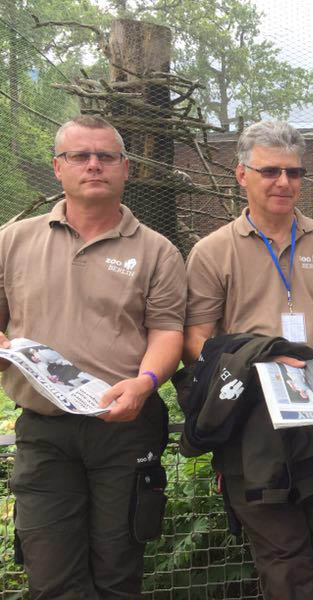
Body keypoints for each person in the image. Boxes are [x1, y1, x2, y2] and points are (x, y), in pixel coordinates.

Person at [183, 120, 313, 600]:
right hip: (253, 425)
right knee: (284, 560)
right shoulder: (213, 252)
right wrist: (256, 363)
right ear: (242, 174)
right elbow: (195, 342)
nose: (283, 182)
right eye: (270, 171)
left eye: (294, 172)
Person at [0, 115, 186, 598]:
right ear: (57, 167)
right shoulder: (12, 241)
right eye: (80, 156)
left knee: (117, 575)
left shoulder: (158, 251)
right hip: (44, 432)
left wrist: (146, 383)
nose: (94, 165)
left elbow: (167, 331)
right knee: (51, 578)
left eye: (106, 156)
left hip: (124, 427)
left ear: (125, 168)